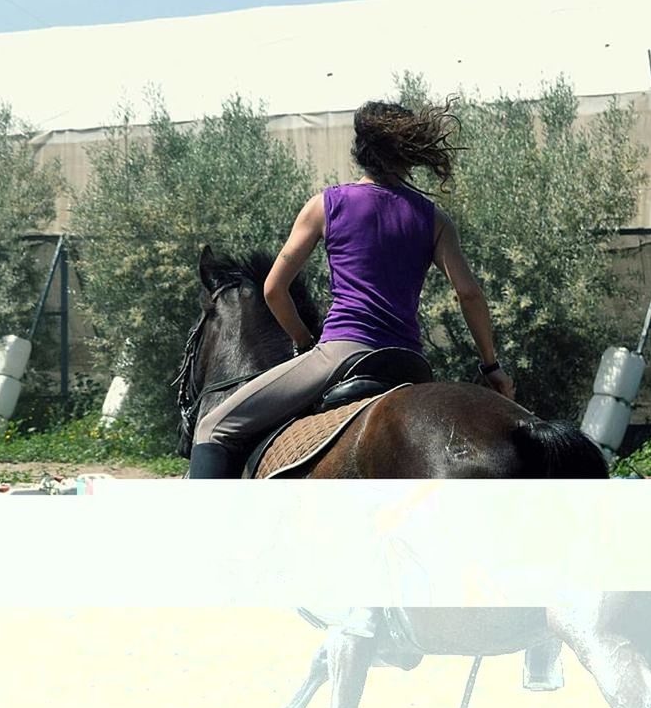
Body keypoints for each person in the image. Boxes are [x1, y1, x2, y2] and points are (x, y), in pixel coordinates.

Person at [187, 98, 515, 479]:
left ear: (360, 151)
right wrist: (492, 366)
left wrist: (303, 339)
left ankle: (204, 534)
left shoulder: (326, 205)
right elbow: (469, 294)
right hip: (409, 362)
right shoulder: (434, 219)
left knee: (214, 427)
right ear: (408, 155)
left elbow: (275, 289)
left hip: (342, 353)